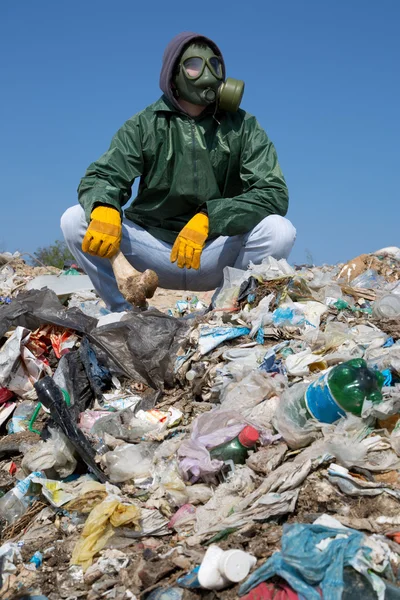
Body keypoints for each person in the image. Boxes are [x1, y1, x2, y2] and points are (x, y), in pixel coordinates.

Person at [61, 32, 296, 312]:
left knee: (279, 230)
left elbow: (273, 193)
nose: (208, 75)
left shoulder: (243, 126)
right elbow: (104, 175)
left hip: (214, 252)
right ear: (173, 75)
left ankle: (223, 310)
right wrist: (104, 206)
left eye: (215, 65)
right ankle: (127, 313)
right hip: (153, 251)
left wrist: (210, 218)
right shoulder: (144, 125)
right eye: (195, 65)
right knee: (76, 219)